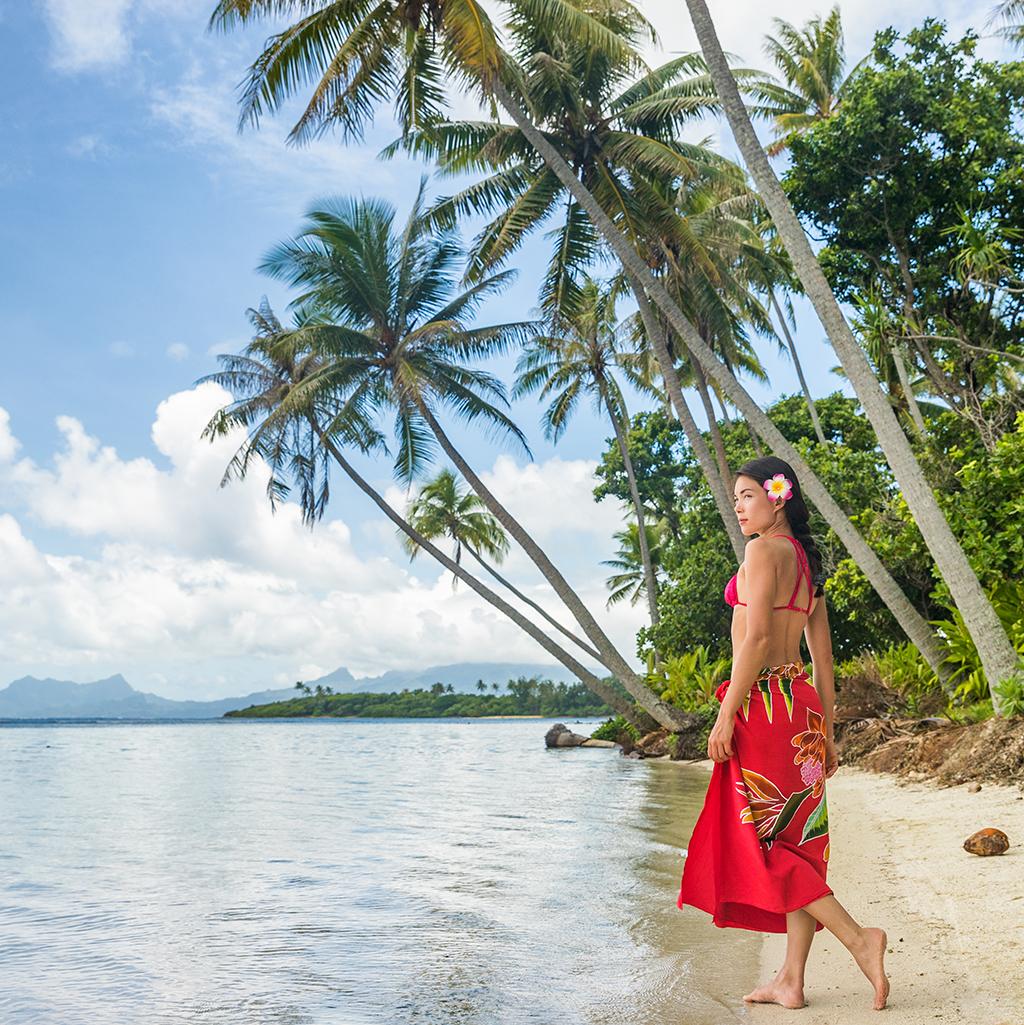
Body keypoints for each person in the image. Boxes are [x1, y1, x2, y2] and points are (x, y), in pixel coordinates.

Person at [676, 456, 889, 1011]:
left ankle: (859, 940)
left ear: (778, 497)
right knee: (800, 841)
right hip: (803, 710)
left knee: (765, 842)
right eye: (737, 496)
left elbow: (756, 639)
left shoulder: (761, 551)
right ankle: (791, 980)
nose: (739, 506)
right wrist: (829, 730)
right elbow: (824, 657)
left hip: (765, 707)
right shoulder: (805, 563)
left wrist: (726, 715)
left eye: (747, 495)